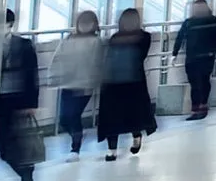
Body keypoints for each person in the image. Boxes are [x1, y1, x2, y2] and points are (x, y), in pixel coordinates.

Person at [100, 8, 156, 159]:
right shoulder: (115, 38)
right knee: (112, 115)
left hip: (134, 82)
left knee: (133, 114)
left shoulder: (144, 37)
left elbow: (141, 55)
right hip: (113, 82)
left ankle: (136, 136)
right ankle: (112, 149)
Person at [0, 9, 39, 181]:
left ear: (10, 25)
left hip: (15, 100)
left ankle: (25, 171)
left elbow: (32, 75)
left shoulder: (23, 45)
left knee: (8, 146)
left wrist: (31, 103)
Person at [52, 10, 104, 160]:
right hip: (67, 83)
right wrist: (55, 76)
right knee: (63, 118)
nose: (85, 26)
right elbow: (58, 57)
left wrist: (93, 81)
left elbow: (98, 64)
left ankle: (75, 148)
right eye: (83, 23)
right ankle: (77, 135)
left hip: (84, 85)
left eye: (88, 23)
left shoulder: (96, 42)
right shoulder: (69, 38)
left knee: (74, 115)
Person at [172, 0, 216, 120]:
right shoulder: (190, 22)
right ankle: (197, 108)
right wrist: (174, 53)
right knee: (195, 82)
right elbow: (180, 37)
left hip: (204, 56)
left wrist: (214, 50)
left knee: (202, 81)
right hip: (194, 57)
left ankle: (201, 106)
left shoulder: (212, 21)